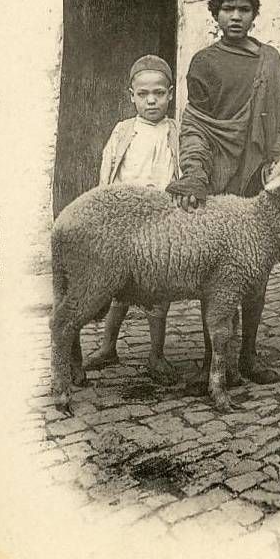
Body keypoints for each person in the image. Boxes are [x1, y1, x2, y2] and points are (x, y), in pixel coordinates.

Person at [166, 0, 280, 383]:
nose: (235, 17)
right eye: (227, 9)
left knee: (256, 273)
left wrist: (277, 157)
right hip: (219, 184)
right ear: (214, 14)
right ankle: (212, 358)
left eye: (243, 9)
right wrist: (196, 174)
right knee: (217, 277)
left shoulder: (271, 59)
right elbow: (196, 126)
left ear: (255, 13)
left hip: (259, 182)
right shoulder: (204, 63)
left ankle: (249, 356)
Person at [85, 54, 179, 384]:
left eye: (159, 93)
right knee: (118, 288)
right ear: (131, 95)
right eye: (143, 94)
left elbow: (180, 175)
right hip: (125, 221)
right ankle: (108, 346)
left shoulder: (176, 134)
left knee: (158, 291)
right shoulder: (124, 131)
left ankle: (156, 355)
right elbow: (108, 172)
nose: (151, 100)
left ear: (170, 93)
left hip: (159, 223)